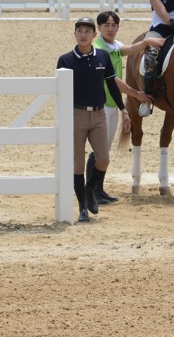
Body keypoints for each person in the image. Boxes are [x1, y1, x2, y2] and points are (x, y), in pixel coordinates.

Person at [85, 11, 165, 204]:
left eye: (114, 25)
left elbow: (130, 49)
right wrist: (136, 94)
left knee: (104, 150)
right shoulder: (98, 49)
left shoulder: (113, 45)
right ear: (99, 28)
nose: (110, 29)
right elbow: (113, 80)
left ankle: (98, 189)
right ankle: (91, 191)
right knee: (99, 149)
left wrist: (147, 43)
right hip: (100, 103)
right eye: (106, 25)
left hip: (111, 104)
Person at [56, 17, 131, 222]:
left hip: (98, 115)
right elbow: (60, 92)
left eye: (87, 31)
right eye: (79, 30)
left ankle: (90, 190)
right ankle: (82, 207)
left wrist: (123, 109)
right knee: (78, 164)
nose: (83, 34)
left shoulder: (103, 57)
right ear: (75, 34)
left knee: (103, 159)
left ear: (94, 35)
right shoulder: (66, 60)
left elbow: (112, 85)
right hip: (76, 114)